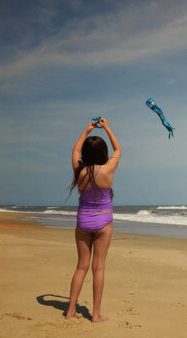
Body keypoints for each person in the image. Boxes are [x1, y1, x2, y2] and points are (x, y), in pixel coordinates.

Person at [65, 117, 121, 323]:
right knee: (99, 267)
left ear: (86, 154)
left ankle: (70, 310)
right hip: (104, 222)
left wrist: (87, 130)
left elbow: (74, 151)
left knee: (82, 267)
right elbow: (118, 150)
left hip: (83, 221)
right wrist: (107, 127)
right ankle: (95, 315)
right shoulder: (108, 170)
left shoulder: (79, 171)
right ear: (102, 153)